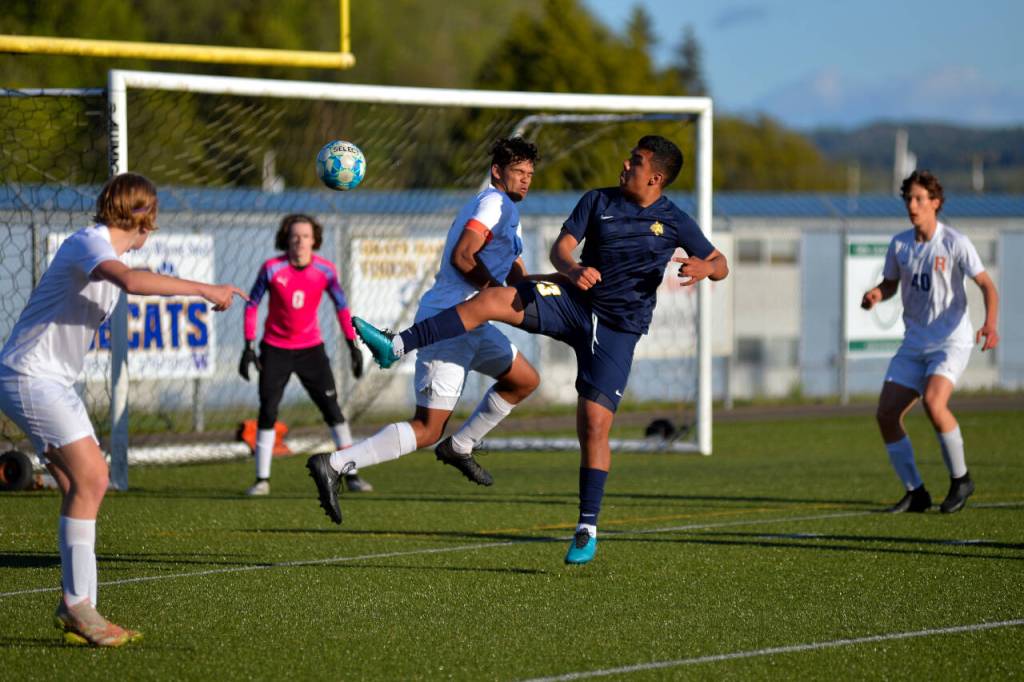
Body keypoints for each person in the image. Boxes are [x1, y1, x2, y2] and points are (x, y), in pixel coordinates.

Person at [353, 135, 728, 564]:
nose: (626, 163)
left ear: (655, 177)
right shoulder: (598, 200)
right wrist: (572, 268)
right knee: (494, 299)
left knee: (593, 426)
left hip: (619, 330)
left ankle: (587, 527)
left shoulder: (675, 220)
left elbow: (721, 263)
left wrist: (705, 267)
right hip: (572, 303)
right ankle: (396, 344)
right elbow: (561, 247)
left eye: (637, 161)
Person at [0, 173, 246, 646]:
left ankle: (79, 606)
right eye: (151, 217)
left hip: (49, 380)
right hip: (29, 375)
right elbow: (132, 282)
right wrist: (205, 288)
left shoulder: (104, 251)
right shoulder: (89, 243)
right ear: (145, 218)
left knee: (80, 483)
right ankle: (77, 606)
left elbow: (127, 275)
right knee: (92, 478)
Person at [306, 137, 542, 525]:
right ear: (497, 172)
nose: (526, 180)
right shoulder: (492, 203)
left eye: (530, 174)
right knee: (427, 428)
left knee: (523, 380)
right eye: (518, 172)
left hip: (474, 322)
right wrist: (495, 293)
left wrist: (554, 283)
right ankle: (334, 463)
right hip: (451, 320)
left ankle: (461, 446)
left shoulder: (505, 212)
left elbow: (513, 269)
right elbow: (464, 256)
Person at [861, 170, 999, 514]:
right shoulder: (900, 244)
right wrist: (879, 293)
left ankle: (961, 478)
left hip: (950, 341)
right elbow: (891, 283)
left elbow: (986, 285)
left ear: (935, 203)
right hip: (914, 343)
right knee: (886, 414)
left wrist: (990, 324)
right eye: (908, 198)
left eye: (919, 198)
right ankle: (916, 492)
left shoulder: (954, 242)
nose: (912, 204)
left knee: (935, 404)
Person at [239, 213, 369, 496]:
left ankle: (353, 475)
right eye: (294, 236)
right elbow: (252, 305)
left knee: (333, 411)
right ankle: (262, 480)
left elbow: (342, 307)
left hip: (311, 350)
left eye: (305, 236)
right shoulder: (272, 269)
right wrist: (248, 346)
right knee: (268, 411)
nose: (300, 242)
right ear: (286, 239)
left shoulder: (326, 270)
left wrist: (352, 345)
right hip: (275, 349)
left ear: (315, 240)